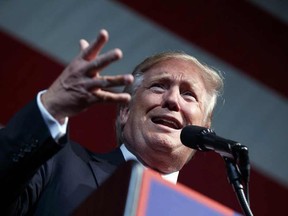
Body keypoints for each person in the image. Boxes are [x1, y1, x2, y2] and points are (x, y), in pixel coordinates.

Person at [0, 29, 223, 215]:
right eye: (159, 86)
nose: (172, 100)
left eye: (188, 95)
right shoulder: (58, 165)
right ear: (125, 111)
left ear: (202, 131)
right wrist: (51, 107)